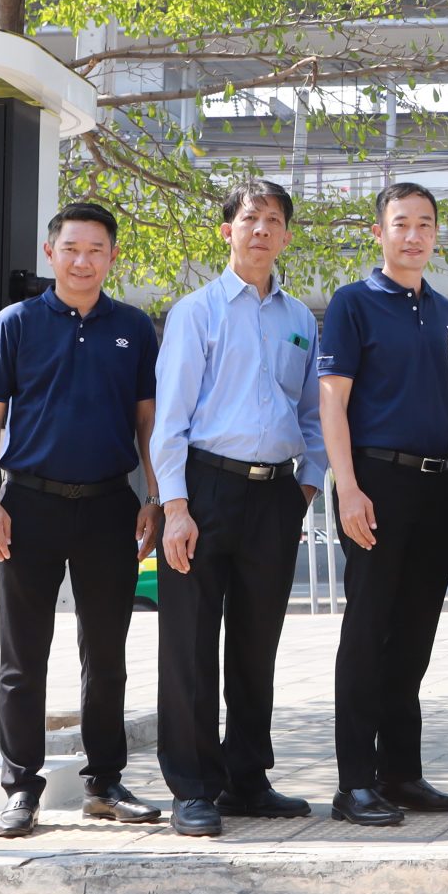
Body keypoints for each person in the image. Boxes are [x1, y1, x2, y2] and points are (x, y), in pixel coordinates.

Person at [0, 201, 164, 837]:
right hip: (28, 505)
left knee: (105, 655)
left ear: (112, 257)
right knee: (23, 658)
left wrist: (157, 498)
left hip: (112, 506)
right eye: (71, 248)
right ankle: (21, 786)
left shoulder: (134, 327)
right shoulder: (16, 323)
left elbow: (148, 424)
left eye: (96, 250)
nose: (83, 260)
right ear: (50, 254)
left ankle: (104, 783)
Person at [151, 179, 329, 839]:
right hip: (203, 489)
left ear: (285, 235)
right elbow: (168, 420)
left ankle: (249, 777)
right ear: (226, 230)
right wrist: (175, 506)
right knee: (190, 644)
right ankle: (195, 787)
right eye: (250, 218)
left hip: (274, 496)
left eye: (274, 220)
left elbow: (313, 415)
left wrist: (304, 488)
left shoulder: (301, 321)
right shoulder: (196, 312)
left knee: (257, 644)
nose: (261, 229)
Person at [315, 182, 448, 829]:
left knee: (414, 636)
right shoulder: (352, 303)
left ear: (436, 234)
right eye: (400, 223)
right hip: (375, 481)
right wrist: (346, 488)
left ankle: (401, 773)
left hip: (437, 486)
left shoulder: (447, 311)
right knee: (367, 632)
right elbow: (332, 400)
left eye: (425, 224)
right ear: (378, 232)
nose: (413, 235)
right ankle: (354, 782)